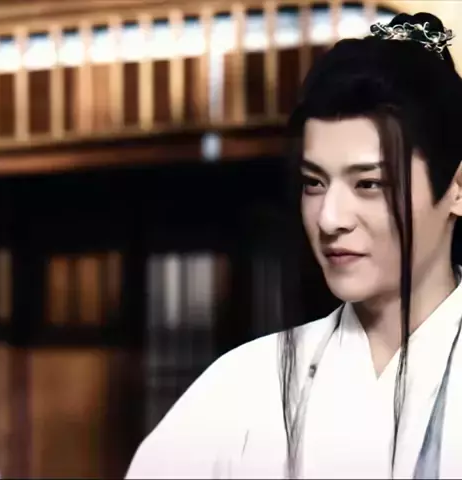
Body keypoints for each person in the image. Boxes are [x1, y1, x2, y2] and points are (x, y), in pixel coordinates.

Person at [125, 11, 462, 479]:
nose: (330, 219)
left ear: (456, 189)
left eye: (368, 184)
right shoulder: (242, 386)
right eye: (314, 183)